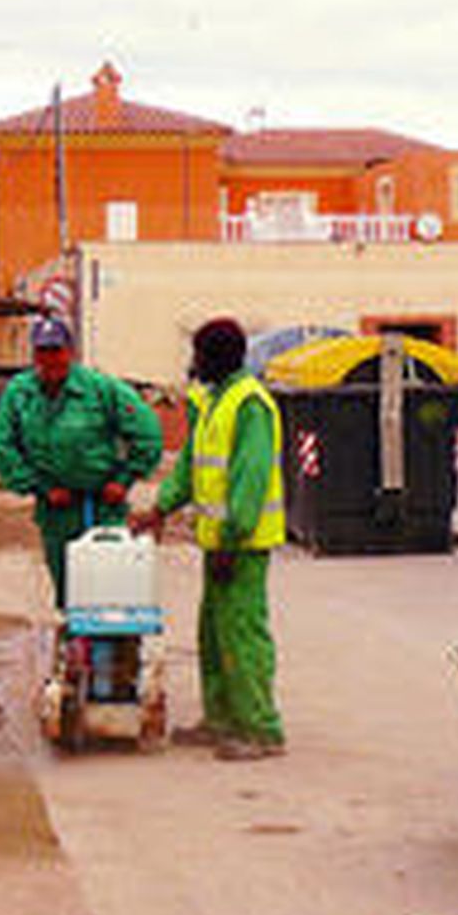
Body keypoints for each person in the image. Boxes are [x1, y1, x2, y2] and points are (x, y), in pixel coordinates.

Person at [132, 317, 286, 760]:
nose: (193, 363)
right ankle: (221, 720)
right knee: (214, 635)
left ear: (218, 358)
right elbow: (191, 467)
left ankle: (261, 729)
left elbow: (249, 480)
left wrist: (232, 542)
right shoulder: (215, 402)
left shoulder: (249, 405)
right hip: (218, 543)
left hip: (241, 545)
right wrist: (160, 508)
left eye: (199, 354)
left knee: (242, 635)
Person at [0, 317, 164, 607]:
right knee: (69, 590)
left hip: (104, 506)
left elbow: (148, 434)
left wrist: (123, 480)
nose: (50, 359)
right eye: (42, 352)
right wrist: (41, 487)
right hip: (57, 510)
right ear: (33, 356)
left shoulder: (100, 388)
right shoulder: (20, 393)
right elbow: (2, 446)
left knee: (113, 588)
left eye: (56, 350)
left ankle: (119, 646)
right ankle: (75, 641)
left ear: (70, 352)